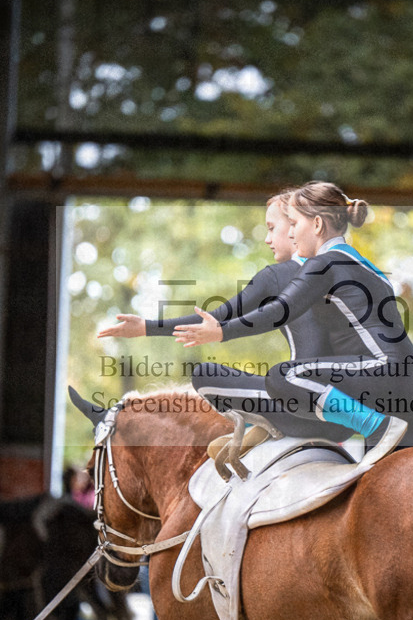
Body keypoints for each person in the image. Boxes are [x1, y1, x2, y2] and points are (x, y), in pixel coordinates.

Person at [174, 181, 413, 453]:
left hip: (384, 373)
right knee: (378, 490)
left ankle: (373, 425)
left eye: (295, 224)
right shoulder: (368, 267)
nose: (292, 235)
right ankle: (369, 425)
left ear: (317, 225)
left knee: (284, 376)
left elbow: (280, 310)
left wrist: (221, 331)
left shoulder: (324, 263)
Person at [98, 190, 350, 443]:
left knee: (204, 374)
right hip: (349, 409)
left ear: (297, 226)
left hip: (307, 409)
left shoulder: (277, 276)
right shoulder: (347, 270)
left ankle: (265, 428)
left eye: (273, 228)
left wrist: (145, 327)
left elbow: (215, 318)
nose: (266, 239)